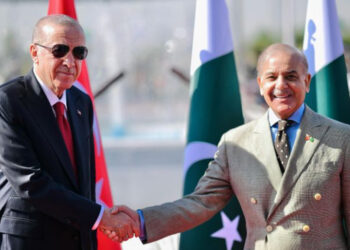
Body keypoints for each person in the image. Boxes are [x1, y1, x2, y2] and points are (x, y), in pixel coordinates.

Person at [107, 43, 350, 249]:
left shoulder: (341, 137)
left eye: (291, 76)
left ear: (307, 82)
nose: (281, 86)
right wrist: (140, 220)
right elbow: (200, 202)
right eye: (271, 77)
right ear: (259, 83)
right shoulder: (236, 143)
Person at [0, 14, 138, 250]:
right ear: (35, 52)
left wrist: (95, 227)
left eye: (78, 52)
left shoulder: (81, 102)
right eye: (59, 50)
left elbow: (84, 184)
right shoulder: (9, 101)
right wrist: (100, 217)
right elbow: (30, 183)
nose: (69, 61)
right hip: (29, 242)